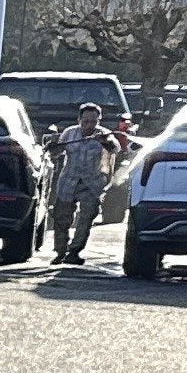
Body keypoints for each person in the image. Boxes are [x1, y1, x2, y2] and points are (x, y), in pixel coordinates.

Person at [46, 108, 125, 265]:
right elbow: (56, 152)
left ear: (99, 120)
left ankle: (74, 250)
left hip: (92, 183)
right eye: (86, 122)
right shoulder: (70, 133)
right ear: (79, 120)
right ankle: (60, 251)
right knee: (61, 217)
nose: (89, 125)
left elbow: (116, 148)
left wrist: (104, 141)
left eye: (93, 122)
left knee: (87, 217)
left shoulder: (104, 134)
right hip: (68, 182)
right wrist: (52, 144)